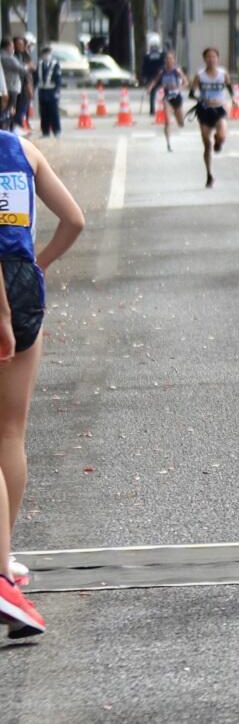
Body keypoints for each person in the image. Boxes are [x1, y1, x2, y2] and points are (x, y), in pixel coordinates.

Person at [0, 128, 86, 639]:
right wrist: (38, 264)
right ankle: (5, 559)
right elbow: (74, 219)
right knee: (11, 432)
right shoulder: (22, 149)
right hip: (23, 280)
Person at [188, 47, 233, 188]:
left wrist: (233, 99)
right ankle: (209, 174)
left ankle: (218, 142)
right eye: (208, 57)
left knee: (221, 135)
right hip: (204, 110)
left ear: (217, 59)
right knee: (206, 144)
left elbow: (230, 89)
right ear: (204, 59)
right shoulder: (200, 75)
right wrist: (202, 99)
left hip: (219, 109)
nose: (211, 59)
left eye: (214, 57)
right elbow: (191, 93)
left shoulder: (223, 74)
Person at [147, 51, 189, 152]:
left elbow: (186, 82)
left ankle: (177, 115)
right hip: (167, 98)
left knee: (181, 123)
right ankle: (168, 144)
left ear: (174, 61)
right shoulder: (163, 71)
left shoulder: (177, 71)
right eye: (167, 59)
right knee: (167, 121)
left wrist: (179, 87)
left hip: (177, 97)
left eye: (171, 59)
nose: (169, 61)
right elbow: (155, 80)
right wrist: (150, 87)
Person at [1, 40, 27, 133]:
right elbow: (22, 69)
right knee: (9, 110)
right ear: (7, 46)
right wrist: (28, 67)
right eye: (12, 46)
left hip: (7, 88)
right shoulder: (7, 57)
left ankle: (9, 128)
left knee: (9, 110)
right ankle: (7, 129)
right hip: (10, 87)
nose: (13, 48)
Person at [34, 47, 61, 138]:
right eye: (45, 54)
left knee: (53, 111)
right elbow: (36, 78)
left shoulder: (55, 64)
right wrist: (33, 88)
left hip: (52, 91)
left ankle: (56, 130)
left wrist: (57, 91)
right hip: (42, 91)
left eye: (48, 54)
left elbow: (58, 79)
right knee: (44, 112)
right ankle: (45, 131)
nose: (46, 56)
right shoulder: (40, 64)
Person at [12, 38, 33, 135]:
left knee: (24, 109)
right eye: (18, 44)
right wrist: (27, 66)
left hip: (24, 86)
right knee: (18, 110)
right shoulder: (14, 56)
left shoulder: (25, 55)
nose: (20, 46)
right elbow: (22, 70)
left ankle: (21, 126)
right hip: (17, 86)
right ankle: (17, 128)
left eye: (22, 44)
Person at [141, 41, 165, 116]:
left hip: (151, 77)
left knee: (152, 93)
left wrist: (144, 77)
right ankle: (166, 108)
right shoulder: (162, 55)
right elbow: (164, 65)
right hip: (161, 76)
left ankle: (152, 110)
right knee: (165, 92)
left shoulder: (147, 56)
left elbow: (144, 68)